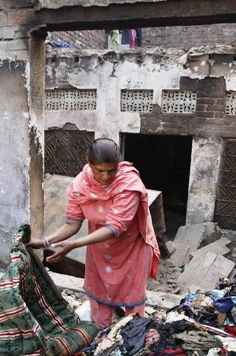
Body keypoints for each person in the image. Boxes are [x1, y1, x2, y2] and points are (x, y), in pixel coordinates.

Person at [28, 138, 160, 329]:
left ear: (119, 165)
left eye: (111, 170)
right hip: (100, 248)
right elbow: (72, 224)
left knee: (133, 297)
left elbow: (116, 227)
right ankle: (101, 334)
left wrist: (73, 245)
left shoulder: (129, 184)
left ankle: (135, 335)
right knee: (99, 293)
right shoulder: (80, 185)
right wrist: (45, 242)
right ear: (89, 164)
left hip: (133, 247)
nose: (106, 177)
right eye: (100, 171)